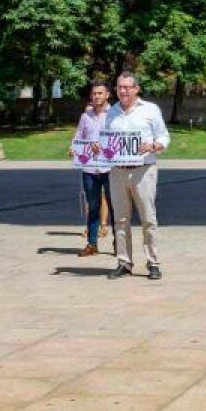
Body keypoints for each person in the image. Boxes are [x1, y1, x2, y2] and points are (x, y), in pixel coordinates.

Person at [102, 73, 170, 280]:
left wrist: (154, 145)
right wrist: (101, 148)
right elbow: (108, 142)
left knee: (148, 218)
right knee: (120, 219)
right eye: (120, 87)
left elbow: (164, 136)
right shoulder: (111, 112)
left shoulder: (150, 110)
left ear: (136, 89)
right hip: (117, 171)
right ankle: (124, 262)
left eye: (128, 87)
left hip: (143, 170)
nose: (123, 91)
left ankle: (153, 262)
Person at [70, 83, 115, 257]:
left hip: (109, 168)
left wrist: (103, 148)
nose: (96, 96)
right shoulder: (85, 116)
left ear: (107, 95)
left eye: (100, 93)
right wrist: (73, 147)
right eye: (94, 93)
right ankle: (92, 244)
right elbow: (78, 137)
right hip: (89, 168)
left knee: (114, 207)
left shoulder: (114, 115)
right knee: (93, 206)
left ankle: (118, 245)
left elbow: (117, 140)